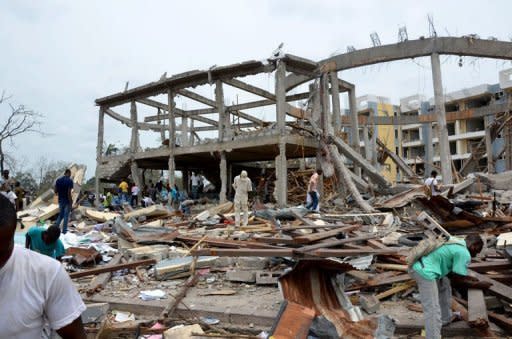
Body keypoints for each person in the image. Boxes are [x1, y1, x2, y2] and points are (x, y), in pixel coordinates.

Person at [0, 194, 87, 338]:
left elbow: (75, 335)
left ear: (11, 237)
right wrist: (28, 248)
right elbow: (28, 236)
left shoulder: (47, 273)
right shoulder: (35, 232)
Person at [410, 235, 490, 339]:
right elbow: (457, 281)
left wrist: (468, 277)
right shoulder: (464, 253)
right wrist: (478, 285)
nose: (475, 255)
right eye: (477, 251)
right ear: (474, 246)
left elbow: (452, 273)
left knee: (445, 285)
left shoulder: (456, 241)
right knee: (432, 308)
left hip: (425, 266)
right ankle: (433, 336)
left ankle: (445, 319)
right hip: (425, 273)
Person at [54, 169, 74, 234]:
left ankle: (55, 228)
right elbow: (69, 192)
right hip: (67, 201)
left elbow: (55, 191)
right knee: (66, 216)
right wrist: (71, 202)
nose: (70, 175)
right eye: (70, 174)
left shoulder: (58, 180)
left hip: (60, 200)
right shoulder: (69, 181)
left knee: (60, 215)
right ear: (68, 173)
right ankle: (64, 231)